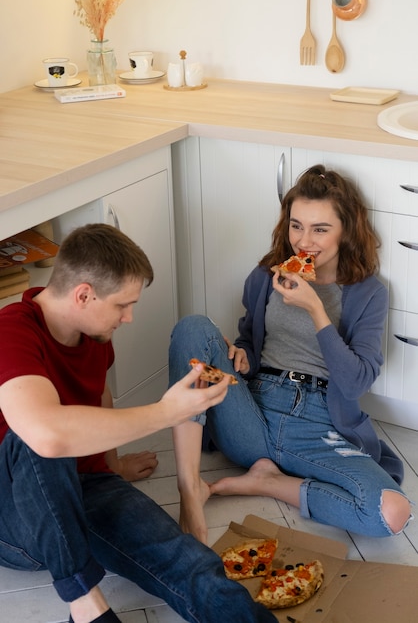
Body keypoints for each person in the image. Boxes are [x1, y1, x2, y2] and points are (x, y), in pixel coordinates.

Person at [0, 223, 277, 623]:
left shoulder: (93, 332)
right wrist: (168, 412)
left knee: (190, 563)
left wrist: (112, 466)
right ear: (83, 294)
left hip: (87, 489)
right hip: (16, 514)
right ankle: (86, 605)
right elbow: (46, 435)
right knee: (39, 433)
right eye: (121, 305)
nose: (129, 317)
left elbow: (100, 396)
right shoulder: (12, 330)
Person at [169, 164, 412, 546]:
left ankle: (270, 483)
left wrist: (316, 309)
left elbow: (356, 381)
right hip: (250, 410)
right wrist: (243, 356)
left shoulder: (368, 293)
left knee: (390, 512)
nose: (304, 241)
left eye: (320, 229)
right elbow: (249, 339)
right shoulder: (266, 276)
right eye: (296, 225)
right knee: (192, 327)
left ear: (346, 230)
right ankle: (189, 489)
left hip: (318, 424)